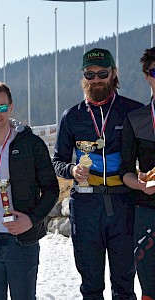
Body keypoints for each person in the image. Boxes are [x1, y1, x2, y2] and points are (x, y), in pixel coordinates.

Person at [52, 48, 144, 299]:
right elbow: (57, 161)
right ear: (83, 77)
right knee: (91, 285)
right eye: (90, 74)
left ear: (114, 73)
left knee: (124, 284)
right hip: (85, 205)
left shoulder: (133, 111)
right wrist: (72, 170)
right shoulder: (71, 116)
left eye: (102, 73)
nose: (96, 79)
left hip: (123, 202)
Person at [0, 81, 59, 300]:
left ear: (11, 107)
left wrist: (31, 219)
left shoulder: (30, 143)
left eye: (3, 107)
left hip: (22, 240)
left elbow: (52, 188)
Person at [120, 47, 155, 300]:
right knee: (149, 288)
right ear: (146, 76)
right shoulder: (136, 119)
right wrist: (140, 184)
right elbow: (126, 170)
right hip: (147, 210)